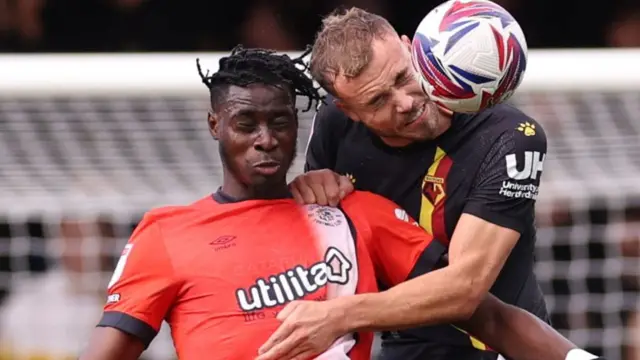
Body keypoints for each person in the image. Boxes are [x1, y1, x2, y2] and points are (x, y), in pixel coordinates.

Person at [77, 46, 601, 360]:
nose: (265, 139)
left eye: (279, 122)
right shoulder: (166, 233)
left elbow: (484, 312)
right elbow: (113, 348)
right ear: (215, 125)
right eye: (245, 124)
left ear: (298, 126)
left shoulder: (355, 213)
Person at [256, 6, 568, 360]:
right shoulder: (334, 127)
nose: (405, 102)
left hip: (503, 348)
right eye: (377, 101)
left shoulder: (510, 136)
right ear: (348, 111)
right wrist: (310, 194)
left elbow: (464, 288)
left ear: (410, 48)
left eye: (404, 77)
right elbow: (326, 252)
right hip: (403, 346)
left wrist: (340, 316)